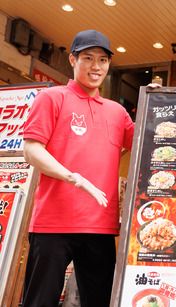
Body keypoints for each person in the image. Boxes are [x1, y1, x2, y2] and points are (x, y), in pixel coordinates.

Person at [22, 29, 134, 307]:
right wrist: (74, 178)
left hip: (101, 226)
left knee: (100, 301)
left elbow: (149, 142)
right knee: (40, 301)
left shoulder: (117, 112)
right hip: (52, 222)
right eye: (88, 58)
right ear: (73, 59)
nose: (96, 66)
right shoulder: (52, 98)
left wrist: (157, 103)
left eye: (103, 60)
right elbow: (31, 150)